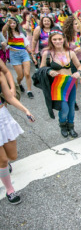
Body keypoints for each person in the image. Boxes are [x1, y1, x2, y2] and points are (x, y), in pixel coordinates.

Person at [39, 27, 81, 137]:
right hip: (57, 85)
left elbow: (79, 66)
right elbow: (41, 69)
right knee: (64, 108)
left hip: (70, 83)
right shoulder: (47, 53)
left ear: (63, 39)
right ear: (50, 41)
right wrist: (49, 71)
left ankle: (71, 126)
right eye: (54, 39)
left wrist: (78, 72)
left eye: (60, 39)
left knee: (71, 108)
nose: (58, 41)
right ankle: (62, 125)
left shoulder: (70, 53)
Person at [0, 66, 35, 205]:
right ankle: (10, 190)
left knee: (12, 156)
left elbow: (8, 97)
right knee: (2, 160)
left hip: (3, 118)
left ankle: (4, 164)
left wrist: (25, 110)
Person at [3, 17, 35, 99]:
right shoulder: (7, 34)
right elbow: (3, 30)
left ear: (17, 24)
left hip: (24, 54)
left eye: (14, 23)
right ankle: (19, 83)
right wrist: (7, 23)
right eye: (11, 23)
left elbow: (27, 46)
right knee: (20, 75)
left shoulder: (21, 34)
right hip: (14, 55)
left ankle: (29, 91)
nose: (12, 24)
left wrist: (33, 57)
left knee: (27, 73)